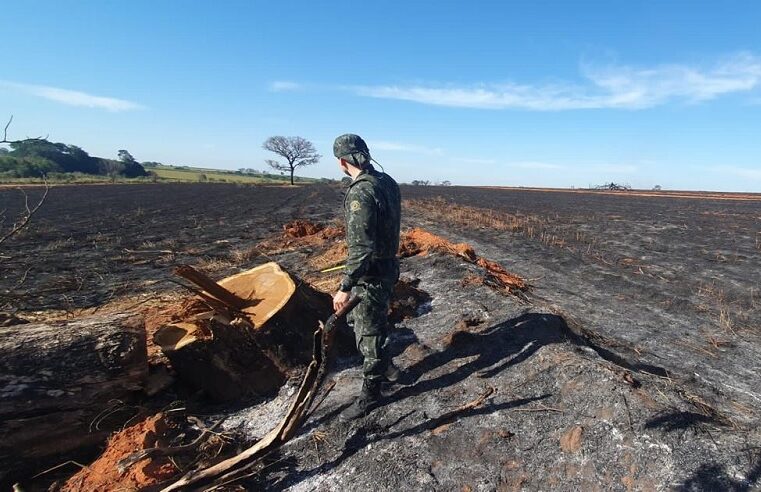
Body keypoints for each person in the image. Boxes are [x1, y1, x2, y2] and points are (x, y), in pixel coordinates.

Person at [332, 133, 401, 421]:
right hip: (387, 268)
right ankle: (386, 366)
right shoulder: (387, 182)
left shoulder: (361, 192)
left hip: (370, 275)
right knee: (366, 322)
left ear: (341, 162)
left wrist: (345, 286)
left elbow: (361, 246)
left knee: (368, 332)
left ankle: (371, 393)